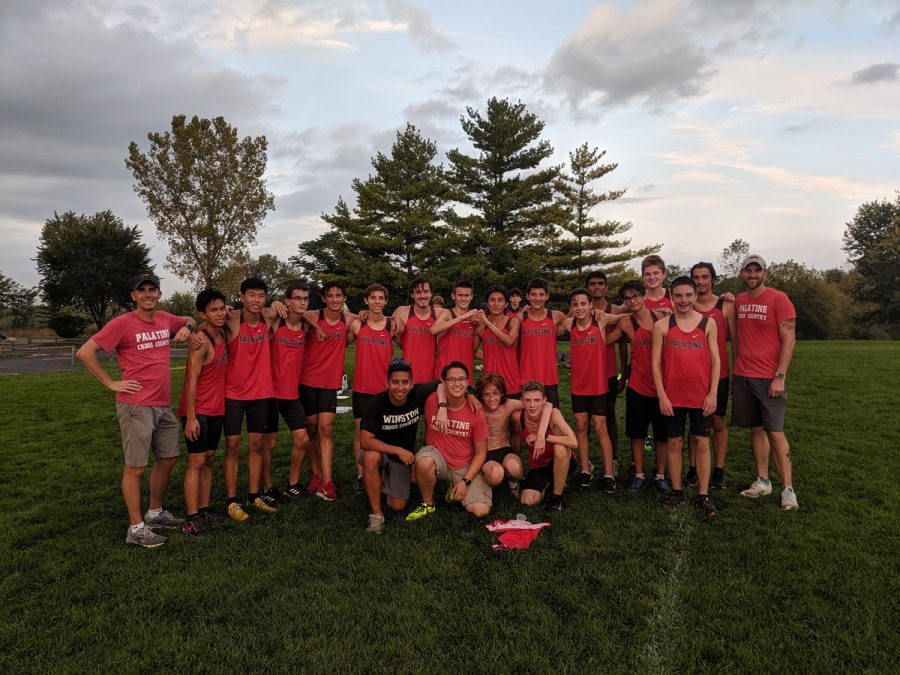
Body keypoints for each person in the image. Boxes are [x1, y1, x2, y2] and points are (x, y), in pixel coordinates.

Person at [76, 273, 196, 548]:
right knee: (135, 468)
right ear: (133, 296)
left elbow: (190, 318)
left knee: (168, 459)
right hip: (136, 406)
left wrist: (187, 328)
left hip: (162, 404)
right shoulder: (122, 323)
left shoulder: (165, 318)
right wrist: (110, 382)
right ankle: (136, 528)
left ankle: (155, 513)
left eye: (152, 290)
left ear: (159, 294)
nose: (148, 294)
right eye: (142, 291)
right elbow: (85, 352)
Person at [732, 255, 799, 510]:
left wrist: (780, 376)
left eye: (756, 270)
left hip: (769, 377)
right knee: (756, 429)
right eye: (748, 270)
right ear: (742, 274)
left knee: (775, 432)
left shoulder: (778, 298)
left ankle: (788, 489)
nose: (752, 275)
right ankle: (763, 480)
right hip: (744, 375)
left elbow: (789, 339)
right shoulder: (740, 300)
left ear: (764, 273)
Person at [651, 277, 720, 517]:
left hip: (701, 396)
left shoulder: (708, 324)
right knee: (675, 442)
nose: (683, 300)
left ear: (695, 295)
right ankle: (677, 489)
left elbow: (716, 361)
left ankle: (703, 494)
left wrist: (712, 393)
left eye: (688, 295)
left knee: (701, 442)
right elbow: (655, 364)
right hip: (673, 397)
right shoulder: (662, 325)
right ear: (671, 296)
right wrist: (662, 395)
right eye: (678, 295)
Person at [358, 360, 450, 534]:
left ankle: (382, 479)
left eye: (405, 382)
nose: (400, 387)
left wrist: (445, 405)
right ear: (387, 383)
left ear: (412, 383)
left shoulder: (418, 393)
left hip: (402, 457)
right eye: (395, 382)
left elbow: (444, 383)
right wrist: (398, 450)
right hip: (381, 451)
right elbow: (365, 441)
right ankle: (376, 515)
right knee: (371, 458)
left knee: (397, 505)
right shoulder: (376, 403)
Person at [219, 277, 284, 521]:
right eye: (252, 295)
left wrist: (278, 302)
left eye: (261, 295)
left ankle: (254, 495)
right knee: (233, 447)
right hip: (234, 394)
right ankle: (232, 501)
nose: (256, 300)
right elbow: (205, 318)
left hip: (261, 394)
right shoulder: (232, 318)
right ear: (242, 296)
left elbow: (297, 310)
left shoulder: (268, 316)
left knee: (257, 446)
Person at [558, 288, 632, 492]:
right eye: (575, 304)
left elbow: (629, 315)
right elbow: (551, 321)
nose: (580, 307)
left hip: (599, 386)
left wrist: (662, 310)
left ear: (591, 305)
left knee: (601, 428)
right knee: (581, 427)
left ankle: (608, 474)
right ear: (571, 308)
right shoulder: (568, 323)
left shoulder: (600, 320)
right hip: (578, 387)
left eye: (584, 303)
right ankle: (585, 469)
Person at [605, 281, 670, 493]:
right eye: (627, 298)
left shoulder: (661, 318)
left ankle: (660, 475)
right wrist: (601, 321)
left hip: (663, 387)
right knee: (637, 434)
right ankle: (639, 474)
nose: (632, 301)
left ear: (644, 296)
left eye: (635, 296)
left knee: (662, 435)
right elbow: (604, 341)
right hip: (638, 386)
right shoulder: (626, 322)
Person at [407, 361, 492, 520]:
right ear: (443, 382)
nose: (457, 383)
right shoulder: (430, 400)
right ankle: (428, 504)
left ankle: (454, 485)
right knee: (424, 462)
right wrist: (443, 405)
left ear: (468, 382)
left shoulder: (475, 410)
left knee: (481, 510)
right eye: (451, 380)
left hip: (464, 464)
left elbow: (481, 453)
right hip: (438, 458)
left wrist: (465, 482)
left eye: (461, 379)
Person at [299, 281, 357, 501]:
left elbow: (366, 321)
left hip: (329, 383)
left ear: (343, 298)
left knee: (326, 428)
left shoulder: (348, 319)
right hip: (307, 381)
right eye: (330, 295)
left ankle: (328, 481)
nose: (334, 299)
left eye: (338, 295)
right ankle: (316, 474)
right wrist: (316, 327)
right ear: (323, 298)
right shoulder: (314, 315)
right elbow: (297, 314)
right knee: (312, 428)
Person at [178, 288, 228, 537]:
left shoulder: (222, 334)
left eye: (222, 309)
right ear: (203, 313)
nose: (219, 314)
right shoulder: (200, 340)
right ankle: (191, 516)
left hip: (217, 409)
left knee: (209, 458)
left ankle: (205, 507)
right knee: (196, 462)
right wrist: (191, 417)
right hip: (197, 411)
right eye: (213, 310)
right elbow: (191, 381)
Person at [261, 281, 311, 505]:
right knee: (269, 444)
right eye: (297, 298)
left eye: (305, 299)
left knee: (302, 440)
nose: (302, 302)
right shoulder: (274, 322)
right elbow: (255, 313)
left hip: (292, 395)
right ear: (288, 301)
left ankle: (293, 483)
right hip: (270, 394)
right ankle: (267, 486)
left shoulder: (306, 327)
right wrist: (274, 304)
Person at [690, 262, 736, 490]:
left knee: (717, 421)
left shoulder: (724, 305)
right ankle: (692, 468)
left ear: (712, 279)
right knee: (693, 422)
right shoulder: (686, 304)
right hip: (692, 373)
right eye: (696, 277)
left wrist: (736, 371)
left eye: (704, 277)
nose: (700, 282)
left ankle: (719, 469)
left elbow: (734, 341)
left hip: (720, 373)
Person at [474, 373, 551, 498]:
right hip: (484, 452)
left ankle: (513, 483)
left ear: (502, 393)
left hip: (504, 448)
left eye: (495, 393)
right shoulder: (476, 407)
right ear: (481, 396)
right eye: (487, 394)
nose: (492, 398)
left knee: (515, 469)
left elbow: (547, 405)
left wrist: (541, 435)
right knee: (496, 475)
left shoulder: (508, 405)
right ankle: (483, 479)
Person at [349, 283, 395, 491]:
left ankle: (383, 471)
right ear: (366, 301)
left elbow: (410, 343)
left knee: (383, 433)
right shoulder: (358, 325)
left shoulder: (391, 326)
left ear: (386, 301)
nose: (377, 301)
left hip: (384, 390)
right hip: (362, 388)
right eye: (373, 298)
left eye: (380, 298)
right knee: (361, 432)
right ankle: (361, 475)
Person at [585, 271, 628, 467]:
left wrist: (623, 375)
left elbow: (623, 344)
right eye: (592, 284)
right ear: (588, 287)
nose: (596, 287)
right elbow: (561, 324)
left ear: (606, 287)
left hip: (608, 372)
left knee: (609, 415)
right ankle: (585, 461)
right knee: (583, 419)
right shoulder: (580, 308)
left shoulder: (616, 311)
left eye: (600, 283)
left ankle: (615, 458)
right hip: (585, 373)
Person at [517, 381, 579, 510]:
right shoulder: (519, 416)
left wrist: (544, 437)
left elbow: (574, 442)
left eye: (537, 400)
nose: (532, 405)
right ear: (522, 401)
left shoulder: (553, 414)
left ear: (544, 400)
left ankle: (557, 498)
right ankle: (554, 482)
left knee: (560, 447)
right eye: (527, 400)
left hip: (562, 460)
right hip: (539, 465)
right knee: (527, 501)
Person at [518, 278, 568, 408]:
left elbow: (579, 322)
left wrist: (595, 311)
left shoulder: (556, 316)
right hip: (526, 377)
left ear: (547, 296)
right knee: (528, 419)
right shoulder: (520, 318)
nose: (537, 298)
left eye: (541, 294)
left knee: (552, 418)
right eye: (533, 294)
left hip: (549, 377)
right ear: (527, 296)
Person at [476, 286, 522, 399]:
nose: (496, 304)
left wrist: (488, 322)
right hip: (490, 383)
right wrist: (489, 356)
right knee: (493, 416)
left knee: (514, 416)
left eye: (500, 300)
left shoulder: (513, 322)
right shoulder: (481, 327)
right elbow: (472, 352)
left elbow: (509, 341)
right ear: (487, 304)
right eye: (492, 300)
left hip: (511, 381)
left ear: (506, 304)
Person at [392, 277, 437, 385]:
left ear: (431, 294)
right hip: (409, 375)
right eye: (418, 292)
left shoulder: (439, 313)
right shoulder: (402, 312)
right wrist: (364, 311)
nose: (422, 296)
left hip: (433, 375)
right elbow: (385, 325)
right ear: (412, 295)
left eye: (426, 291)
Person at [431, 280, 480, 379]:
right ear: (453, 296)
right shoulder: (448, 313)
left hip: (465, 375)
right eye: (460, 295)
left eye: (466, 295)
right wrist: (461, 318)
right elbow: (433, 329)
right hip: (445, 374)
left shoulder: (474, 319)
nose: (463, 298)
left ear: (471, 296)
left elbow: (474, 349)